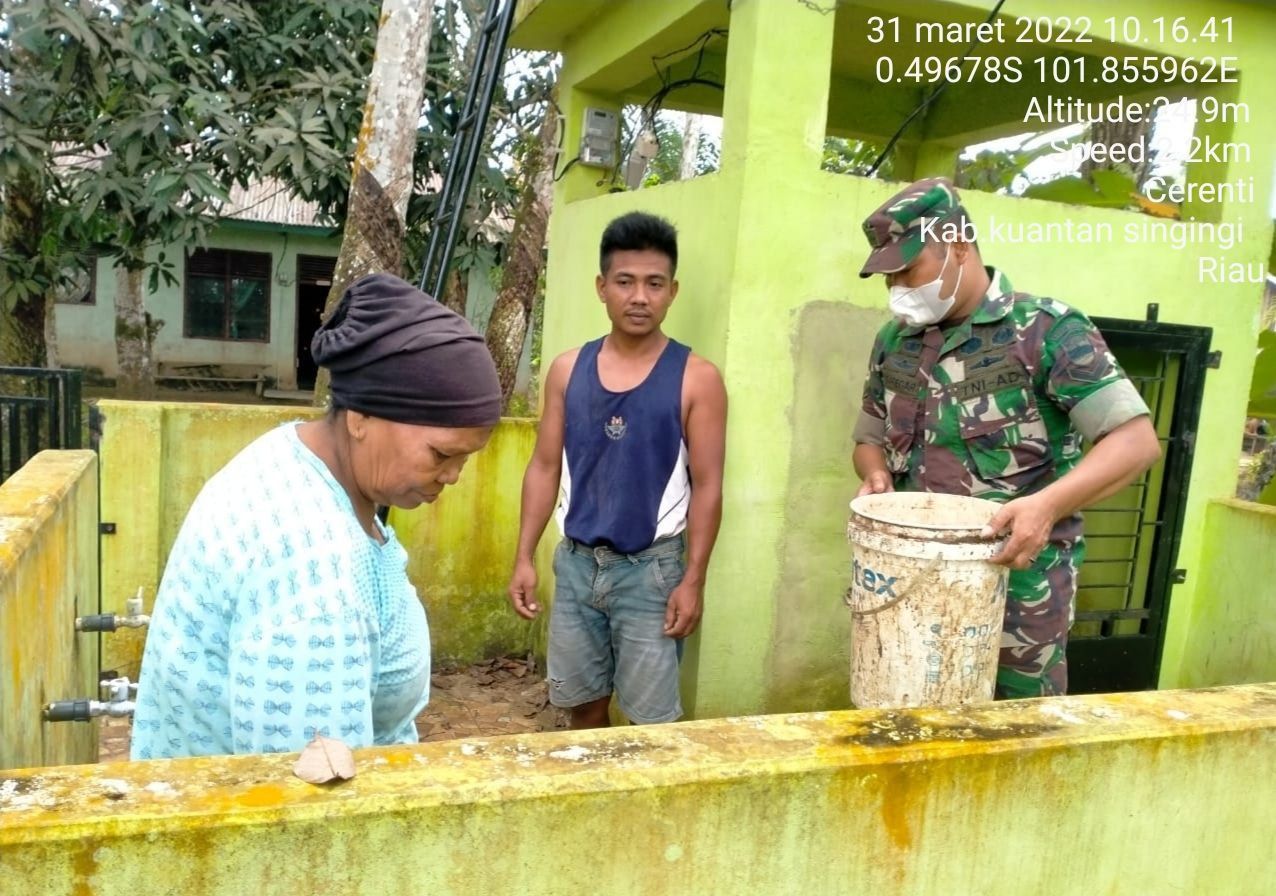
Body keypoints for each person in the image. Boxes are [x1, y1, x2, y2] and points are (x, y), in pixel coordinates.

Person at [131, 273, 503, 758]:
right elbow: (313, 803)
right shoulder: (314, 575)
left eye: (465, 459)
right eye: (440, 454)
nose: (452, 476)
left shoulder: (291, 455)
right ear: (362, 417)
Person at [852, 177, 1162, 699]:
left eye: (908, 269)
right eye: (889, 278)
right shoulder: (893, 343)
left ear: (958, 246)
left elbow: (1135, 443)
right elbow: (869, 436)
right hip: (913, 586)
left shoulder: (1044, 330)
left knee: (1017, 737)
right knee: (912, 725)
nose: (898, 288)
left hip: (1019, 591)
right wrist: (876, 473)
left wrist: (1045, 506)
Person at [507, 211, 727, 729]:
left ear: (672, 291)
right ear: (602, 287)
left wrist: (693, 579)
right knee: (581, 705)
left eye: (654, 284)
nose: (639, 297)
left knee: (651, 724)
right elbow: (543, 466)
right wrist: (523, 556)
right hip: (578, 566)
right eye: (625, 282)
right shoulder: (566, 370)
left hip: (652, 573)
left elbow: (709, 486)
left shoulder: (697, 379)